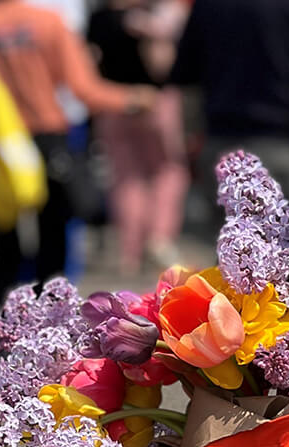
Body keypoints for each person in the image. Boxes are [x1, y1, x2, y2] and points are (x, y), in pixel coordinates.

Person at [0, 0, 155, 305]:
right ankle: (51, 331)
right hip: (47, 140)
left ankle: (6, 331)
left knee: (5, 242)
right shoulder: (49, 22)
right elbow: (83, 88)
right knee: (53, 240)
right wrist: (133, 98)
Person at [169, 0, 289, 204]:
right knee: (288, 232)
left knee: (230, 233)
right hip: (285, 143)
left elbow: (184, 71)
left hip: (222, 143)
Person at [88, 0, 189, 275]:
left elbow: (91, 63)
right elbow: (168, 66)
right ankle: (159, 237)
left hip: (114, 104)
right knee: (169, 171)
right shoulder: (152, 15)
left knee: (125, 179)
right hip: (157, 102)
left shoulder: (99, 19)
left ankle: (129, 254)